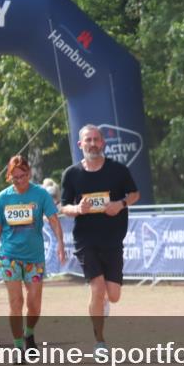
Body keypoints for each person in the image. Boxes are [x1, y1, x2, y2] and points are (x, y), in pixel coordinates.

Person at [60, 125, 139, 352]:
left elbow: (135, 194)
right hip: (86, 241)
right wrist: (78, 209)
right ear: (80, 144)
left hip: (113, 240)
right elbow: (63, 206)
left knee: (113, 295)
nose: (93, 144)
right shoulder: (71, 174)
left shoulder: (118, 170)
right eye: (88, 140)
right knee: (97, 287)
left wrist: (120, 204)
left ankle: (103, 300)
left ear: (102, 143)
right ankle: (100, 342)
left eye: (96, 139)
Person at [0, 155, 66, 355]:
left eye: (22, 176)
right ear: (9, 177)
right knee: (16, 302)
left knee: (34, 304)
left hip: (34, 258)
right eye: (15, 177)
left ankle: (29, 333)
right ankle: (18, 346)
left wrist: (60, 243)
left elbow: (54, 220)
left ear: (29, 174)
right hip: (9, 256)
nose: (19, 181)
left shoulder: (40, 194)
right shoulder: (3, 198)